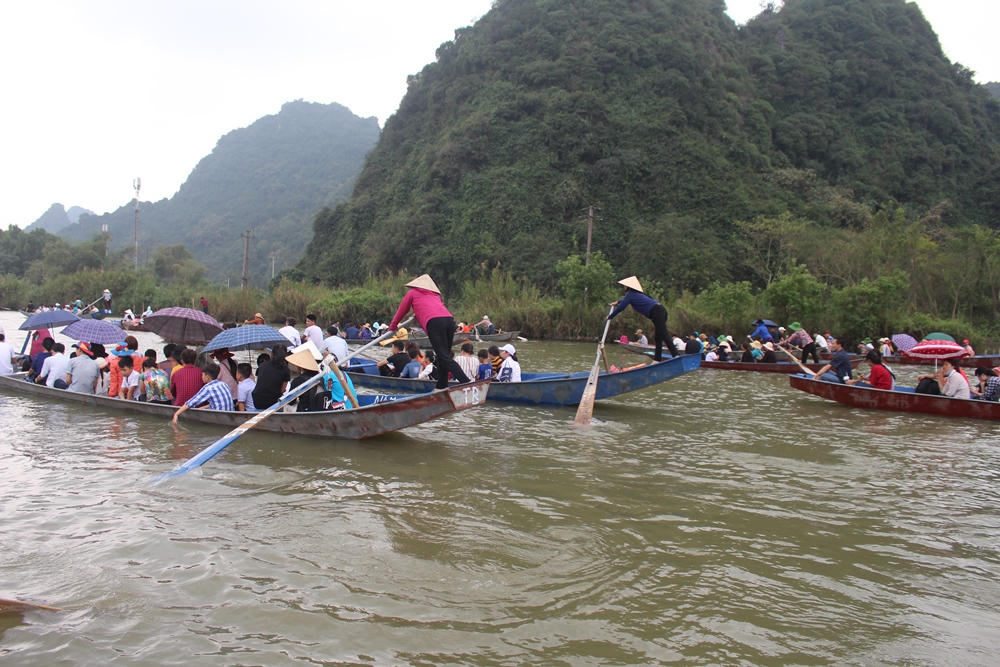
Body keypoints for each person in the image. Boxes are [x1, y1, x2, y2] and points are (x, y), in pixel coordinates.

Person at [388, 274, 471, 389]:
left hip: (434, 323)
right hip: (449, 321)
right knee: (443, 357)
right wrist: (417, 312)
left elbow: (402, 310)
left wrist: (392, 326)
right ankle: (441, 386)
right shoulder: (435, 295)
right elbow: (431, 308)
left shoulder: (412, 292)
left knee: (443, 357)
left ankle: (466, 382)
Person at [607, 276, 679, 361]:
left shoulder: (631, 295)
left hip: (657, 312)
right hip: (661, 311)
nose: (624, 287)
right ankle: (657, 359)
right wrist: (618, 302)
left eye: (625, 285)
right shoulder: (635, 295)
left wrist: (610, 316)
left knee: (663, 334)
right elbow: (625, 302)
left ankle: (676, 355)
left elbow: (621, 308)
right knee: (658, 337)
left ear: (628, 286)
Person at [252, 345, 291, 409]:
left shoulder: (262, 366)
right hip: (273, 402)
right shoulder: (286, 370)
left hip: (257, 400)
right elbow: (282, 390)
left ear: (272, 354)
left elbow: (259, 383)